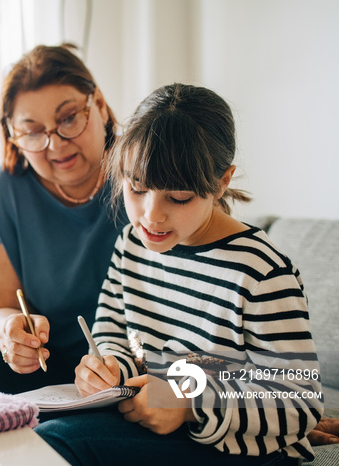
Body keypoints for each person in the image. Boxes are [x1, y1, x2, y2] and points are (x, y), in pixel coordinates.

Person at [34, 83, 324, 465]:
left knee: (58, 443)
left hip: (235, 447)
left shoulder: (260, 272)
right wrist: (107, 369)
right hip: (154, 423)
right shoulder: (131, 244)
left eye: (179, 197)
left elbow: (298, 400)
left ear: (221, 181)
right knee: (34, 430)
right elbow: (112, 332)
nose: (152, 215)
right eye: (136, 187)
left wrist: (188, 403)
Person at [0, 43, 125, 394]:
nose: (55, 145)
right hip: (49, 364)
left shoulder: (145, 175)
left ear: (98, 104)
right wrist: (10, 333)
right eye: (34, 131)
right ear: (14, 136)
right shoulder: (3, 192)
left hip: (132, 366)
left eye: (69, 118)